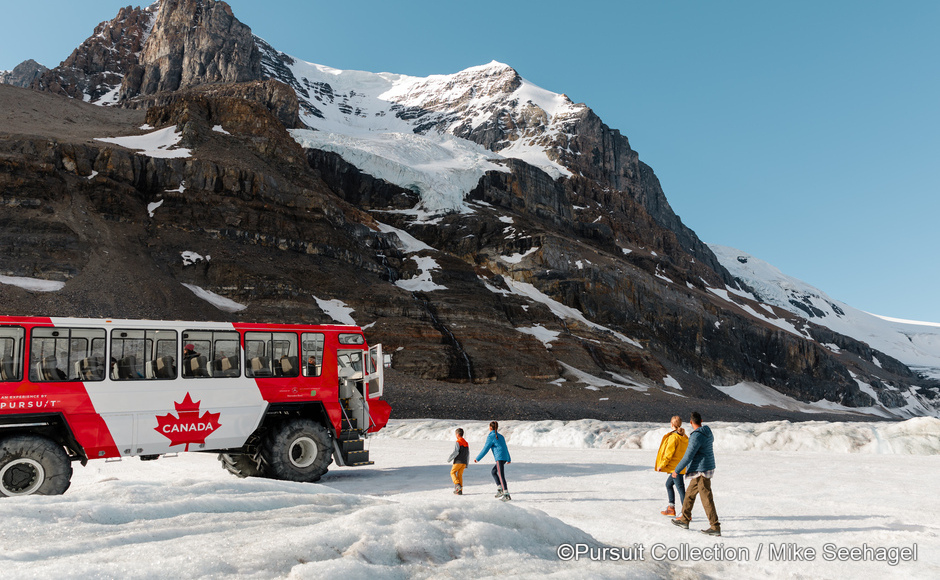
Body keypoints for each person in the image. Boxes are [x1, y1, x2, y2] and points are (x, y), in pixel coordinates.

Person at [671, 411, 721, 536]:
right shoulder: (707, 432)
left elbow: (688, 456)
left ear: (691, 422)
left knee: (706, 498)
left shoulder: (696, 436)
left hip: (701, 470)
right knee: (689, 495)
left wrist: (676, 470)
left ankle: (715, 526)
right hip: (704, 467)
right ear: (701, 421)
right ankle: (684, 520)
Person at [655, 415, 688, 517]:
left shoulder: (673, 438)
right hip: (681, 467)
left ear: (672, 424)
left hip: (675, 469)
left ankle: (686, 513)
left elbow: (669, 454)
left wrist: (662, 465)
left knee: (680, 489)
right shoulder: (683, 437)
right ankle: (671, 508)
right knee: (669, 485)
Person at [474, 421, 512, 501]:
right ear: (497, 428)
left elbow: (485, 449)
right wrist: (508, 458)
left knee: (501, 475)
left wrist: (478, 458)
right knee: (493, 472)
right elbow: (505, 447)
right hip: (504, 457)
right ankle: (500, 489)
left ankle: (506, 494)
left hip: (500, 458)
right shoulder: (501, 436)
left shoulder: (491, 437)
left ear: (490, 428)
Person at [447, 428, 469, 495]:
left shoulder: (458, 442)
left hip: (458, 461)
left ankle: (457, 485)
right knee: (459, 475)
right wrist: (466, 463)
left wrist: (450, 458)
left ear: (457, 434)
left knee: (452, 472)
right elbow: (468, 453)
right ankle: (459, 491)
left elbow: (456, 452)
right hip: (464, 462)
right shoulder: (466, 443)